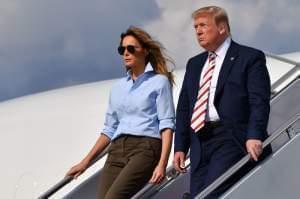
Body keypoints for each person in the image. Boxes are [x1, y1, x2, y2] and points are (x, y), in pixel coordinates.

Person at [173, 6, 271, 198]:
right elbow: (185, 107)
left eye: (203, 25)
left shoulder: (249, 57)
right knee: (197, 194)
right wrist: (180, 146)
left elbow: (259, 101)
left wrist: (255, 135)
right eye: (195, 27)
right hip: (200, 141)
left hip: (230, 137)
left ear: (222, 28)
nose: (198, 31)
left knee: (211, 193)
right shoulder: (194, 64)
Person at [66, 26, 175, 199]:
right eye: (122, 49)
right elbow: (109, 129)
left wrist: (162, 163)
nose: (125, 53)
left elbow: (167, 125)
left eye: (131, 48)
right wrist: (84, 162)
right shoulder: (118, 88)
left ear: (145, 51)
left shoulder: (159, 82)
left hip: (145, 147)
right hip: (117, 148)